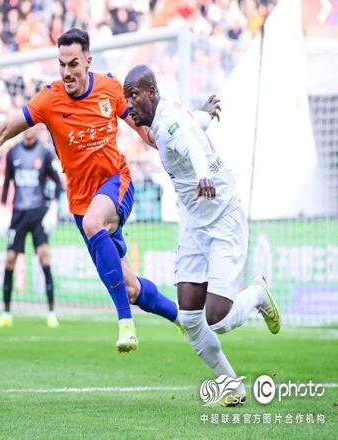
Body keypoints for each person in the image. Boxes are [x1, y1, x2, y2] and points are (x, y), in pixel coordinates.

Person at [0, 28, 181, 353]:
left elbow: (144, 130)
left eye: (73, 64)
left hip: (116, 182)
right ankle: (183, 318)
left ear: (88, 61)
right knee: (129, 288)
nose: (67, 72)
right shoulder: (49, 99)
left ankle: (125, 324)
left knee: (95, 223)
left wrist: (176, 144)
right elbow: (5, 129)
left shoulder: (110, 88)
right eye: (62, 64)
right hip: (81, 202)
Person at [123, 64, 281, 405]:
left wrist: (203, 176)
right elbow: (192, 124)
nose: (130, 104)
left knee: (217, 318)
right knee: (190, 318)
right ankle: (231, 385)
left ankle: (257, 294)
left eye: (134, 95)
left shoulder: (168, 125)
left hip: (222, 217)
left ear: (151, 92)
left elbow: (191, 147)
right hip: (195, 223)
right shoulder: (169, 115)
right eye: (126, 98)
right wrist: (206, 114)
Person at [0, 127, 62, 329]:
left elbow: (58, 183)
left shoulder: (45, 153)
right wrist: (3, 210)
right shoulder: (13, 153)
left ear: (37, 129)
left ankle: (51, 312)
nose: (28, 131)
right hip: (19, 214)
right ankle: (6, 313)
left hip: (38, 213)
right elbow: (7, 183)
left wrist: (53, 207)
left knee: (44, 256)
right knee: (10, 259)